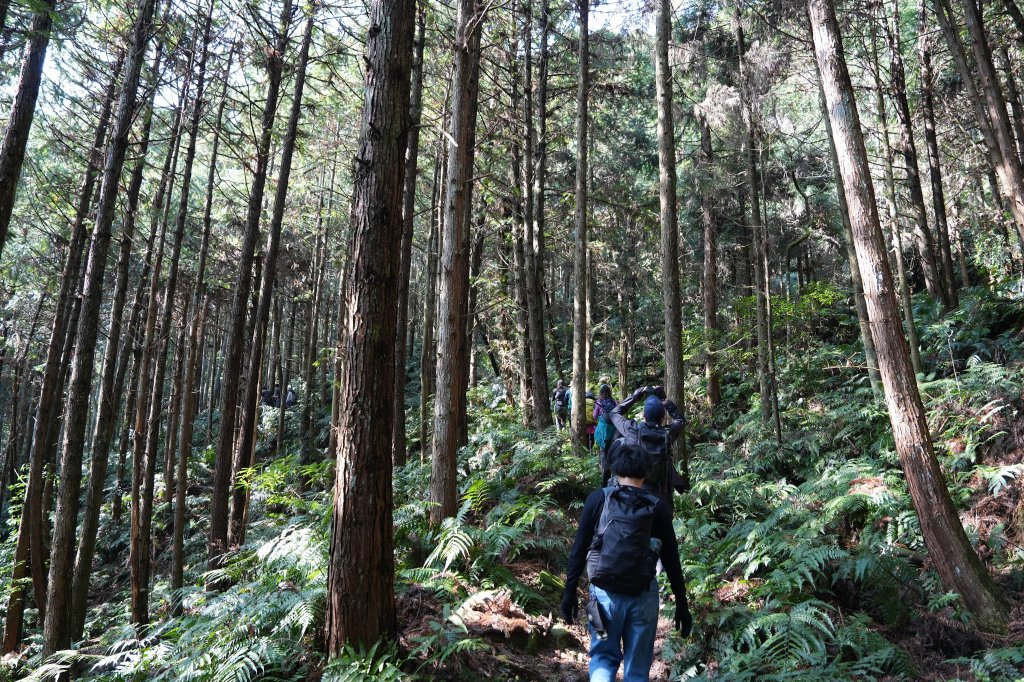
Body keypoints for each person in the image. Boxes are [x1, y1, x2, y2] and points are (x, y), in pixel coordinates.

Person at [560, 443, 691, 681]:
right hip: (644, 599)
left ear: (615, 468)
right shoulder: (657, 506)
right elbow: (671, 560)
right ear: (647, 470)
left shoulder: (597, 499)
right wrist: (682, 604)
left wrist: (569, 592)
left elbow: (578, 550)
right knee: (638, 669)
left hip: (601, 599)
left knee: (601, 657)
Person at [609, 385, 685, 512]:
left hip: (635, 493)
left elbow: (614, 413)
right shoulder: (668, 433)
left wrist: (636, 395)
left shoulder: (632, 430)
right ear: (662, 418)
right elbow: (680, 419)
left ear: (644, 415)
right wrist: (664, 399)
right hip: (661, 496)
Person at [593, 384, 618, 484]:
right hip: (613, 431)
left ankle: (605, 478)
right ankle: (614, 477)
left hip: (603, 432)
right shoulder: (614, 401)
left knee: (604, 452)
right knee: (612, 452)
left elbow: (594, 416)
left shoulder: (599, 402)